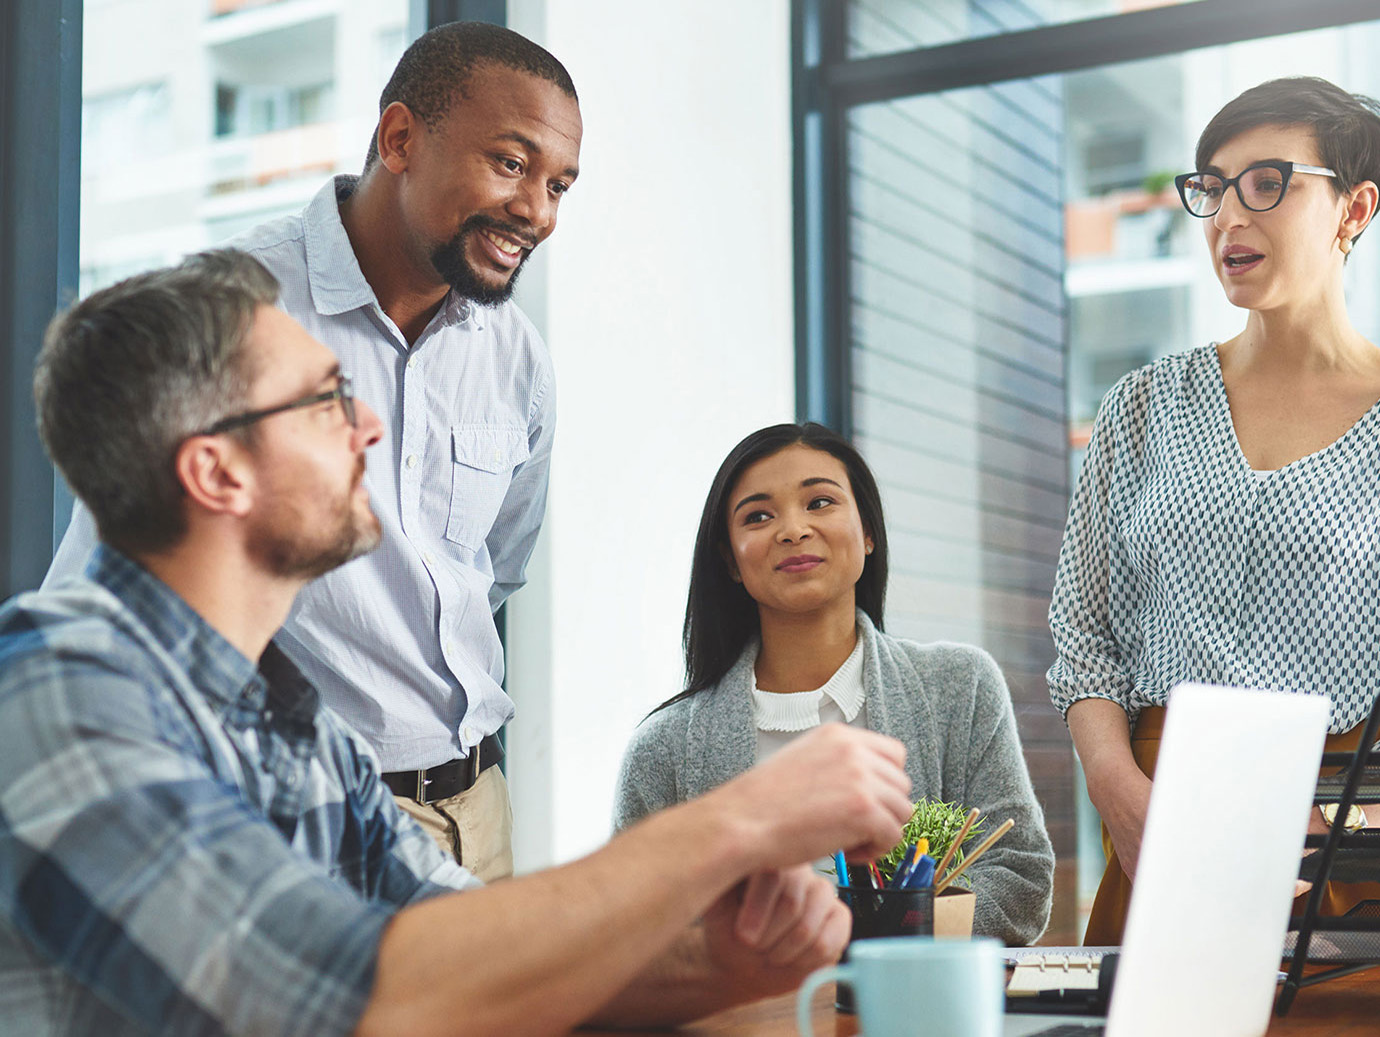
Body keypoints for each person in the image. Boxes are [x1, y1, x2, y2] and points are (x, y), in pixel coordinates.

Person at [0, 251, 918, 1036]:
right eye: (326, 402)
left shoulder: (294, 722)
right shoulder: (56, 687)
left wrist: (723, 960)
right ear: (216, 469)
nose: (370, 425)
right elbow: (351, 992)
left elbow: (476, 946)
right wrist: (738, 819)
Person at [44, 22, 579, 881]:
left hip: (480, 810)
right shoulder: (238, 309)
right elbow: (107, 585)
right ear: (399, 138)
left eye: (560, 184)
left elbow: (493, 569)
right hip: (294, 815)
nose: (539, 212)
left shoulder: (517, 358)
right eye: (511, 165)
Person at [1048, 76, 1380, 945]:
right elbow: (1085, 641)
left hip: (1349, 846)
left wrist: (1356, 829)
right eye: (1212, 188)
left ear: (1354, 209)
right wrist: (1117, 791)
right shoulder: (1141, 407)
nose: (1230, 216)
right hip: (1159, 825)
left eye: (1267, 183)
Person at [614, 422, 1054, 945]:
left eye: (819, 502)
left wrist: (871, 937)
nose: (793, 529)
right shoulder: (662, 749)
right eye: (758, 516)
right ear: (731, 560)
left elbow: (1020, 878)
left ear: (868, 532)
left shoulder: (960, 687)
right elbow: (632, 928)